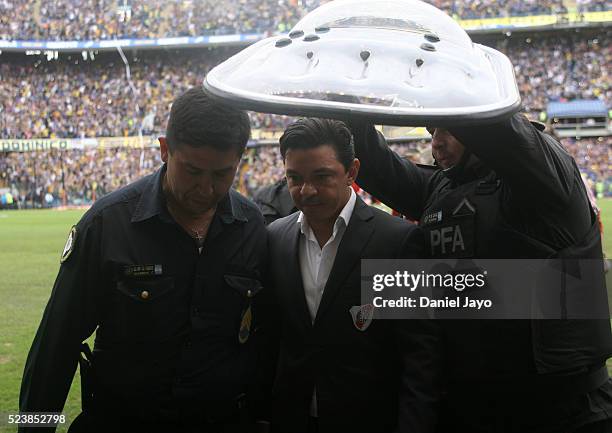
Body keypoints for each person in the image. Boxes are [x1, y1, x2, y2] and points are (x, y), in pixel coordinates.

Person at [19, 88, 271, 433]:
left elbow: (262, 340)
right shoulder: (108, 223)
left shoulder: (252, 226)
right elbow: (55, 345)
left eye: (221, 174)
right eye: (193, 171)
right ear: (165, 149)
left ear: (240, 160)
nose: (206, 188)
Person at [350, 114, 612, 433]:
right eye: (432, 131)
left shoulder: (542, 175)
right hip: (473, 405)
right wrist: (344, 93)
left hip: (560, 408)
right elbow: (374, 161)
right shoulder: (440, 186)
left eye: (447, 129)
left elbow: (505, 135)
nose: (436, 142)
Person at [267, 118, 440, 433]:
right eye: (294, 178)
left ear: (352, 172)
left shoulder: (395, 242)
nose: (306, 190)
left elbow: (419, 358)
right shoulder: (274, 239)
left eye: (322, 176)